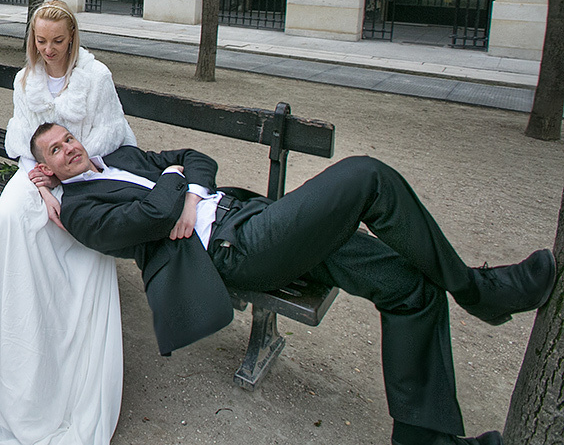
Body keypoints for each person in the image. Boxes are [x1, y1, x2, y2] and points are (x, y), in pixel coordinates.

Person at [30, 123, 558, 445]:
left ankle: (425, 438)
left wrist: (188, 192)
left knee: (408, 288)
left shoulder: (121, 155)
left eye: (68, 138)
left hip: (255, 216)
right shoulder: (80, 210)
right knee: (365, 176)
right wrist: (179, 186)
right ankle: (479, 292)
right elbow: (153, 212)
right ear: (47, 168)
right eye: (54, 151)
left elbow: (197, 159)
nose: (68, 149)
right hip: (233, 251)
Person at [0, 0, 136, 445]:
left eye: (58, 41)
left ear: (72, 37)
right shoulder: (26, 78)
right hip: (36, 174)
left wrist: (66, 173)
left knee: (72, 226)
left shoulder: (96, 78)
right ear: (32, 39)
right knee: (14, 213)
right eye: (41, 41)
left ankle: (64, 342)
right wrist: (40, 184)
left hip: (84, 171)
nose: (49, 49)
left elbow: (110, 136)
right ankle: (16, 323)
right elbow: (21, 139)